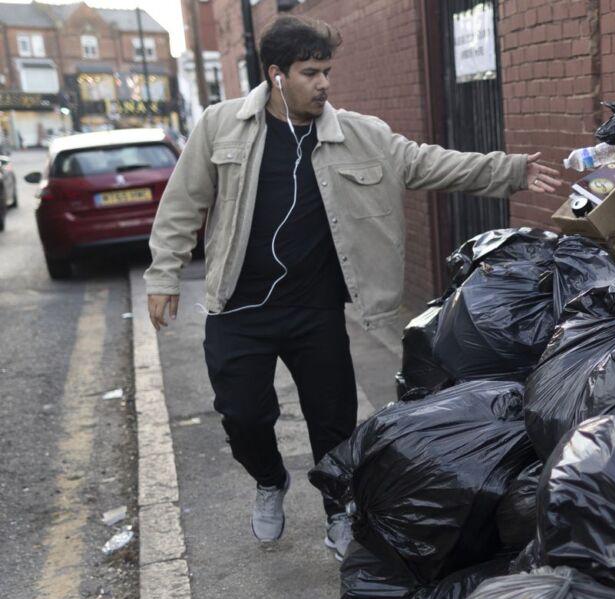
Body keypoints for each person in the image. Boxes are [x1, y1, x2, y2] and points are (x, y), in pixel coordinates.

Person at [143, 15, 558, 558]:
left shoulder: (360, 134)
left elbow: (427, 163)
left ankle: (338, 511)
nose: (323, 84)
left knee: (333, 424)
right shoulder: (221, 127)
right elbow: (182, 204)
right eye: (310, 73)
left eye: (327, 72)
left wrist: (510, 171)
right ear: (276, 75)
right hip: (237, 307)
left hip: (314, 310)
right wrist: (163, 273)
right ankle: (270, 481)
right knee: (243, 416)